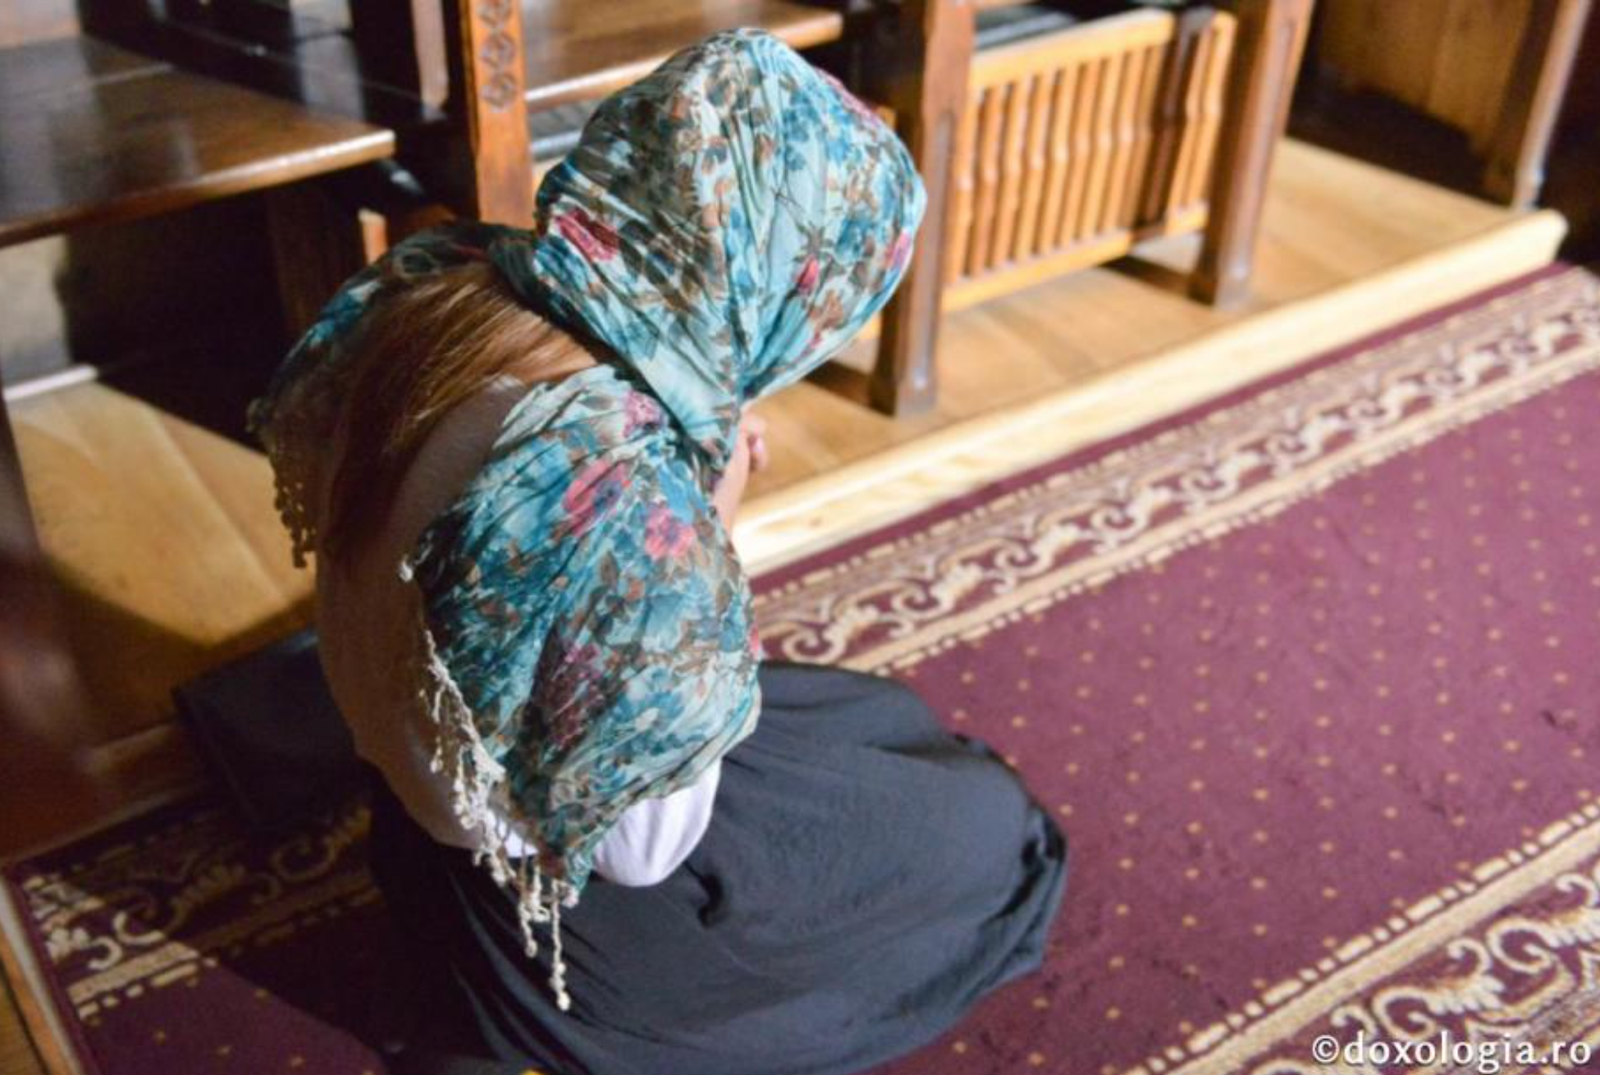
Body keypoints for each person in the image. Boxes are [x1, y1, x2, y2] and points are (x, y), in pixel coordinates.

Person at [250, 29, 1067, 1075]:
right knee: (997, 841)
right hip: (548, 923)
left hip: (415, 823)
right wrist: (707, 517)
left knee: (885, 722)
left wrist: (685, 473)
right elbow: (642, 850)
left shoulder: (445, 290)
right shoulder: (619, 506)